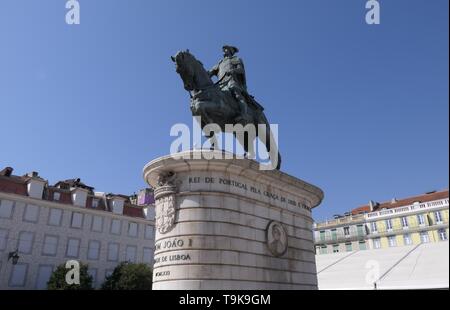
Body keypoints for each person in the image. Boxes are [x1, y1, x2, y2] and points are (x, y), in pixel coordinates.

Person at [208, 45, 252, 123]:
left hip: (231, 81)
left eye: (226, 49)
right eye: (224, 49)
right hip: (221, 84)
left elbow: (241, 70)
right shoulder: (220, 62)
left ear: (230, 51)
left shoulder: (235, 59)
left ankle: (244, 114)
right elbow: (210, 73)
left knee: (237, 94)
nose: (224, 50)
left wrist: (233, 70)